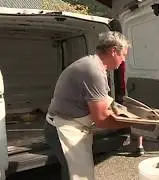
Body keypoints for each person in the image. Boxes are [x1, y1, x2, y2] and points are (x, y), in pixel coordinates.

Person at [44, 31, 132, 180]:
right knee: (78, 175)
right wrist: (132, 123)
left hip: (73, 125)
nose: (123, 60)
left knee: (79, 172)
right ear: (113, 51)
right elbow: (101, 120)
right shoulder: (93, 71)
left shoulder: (93, 64)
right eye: (123, 55)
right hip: (63, 128)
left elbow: (102, 99)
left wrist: (125, 110)